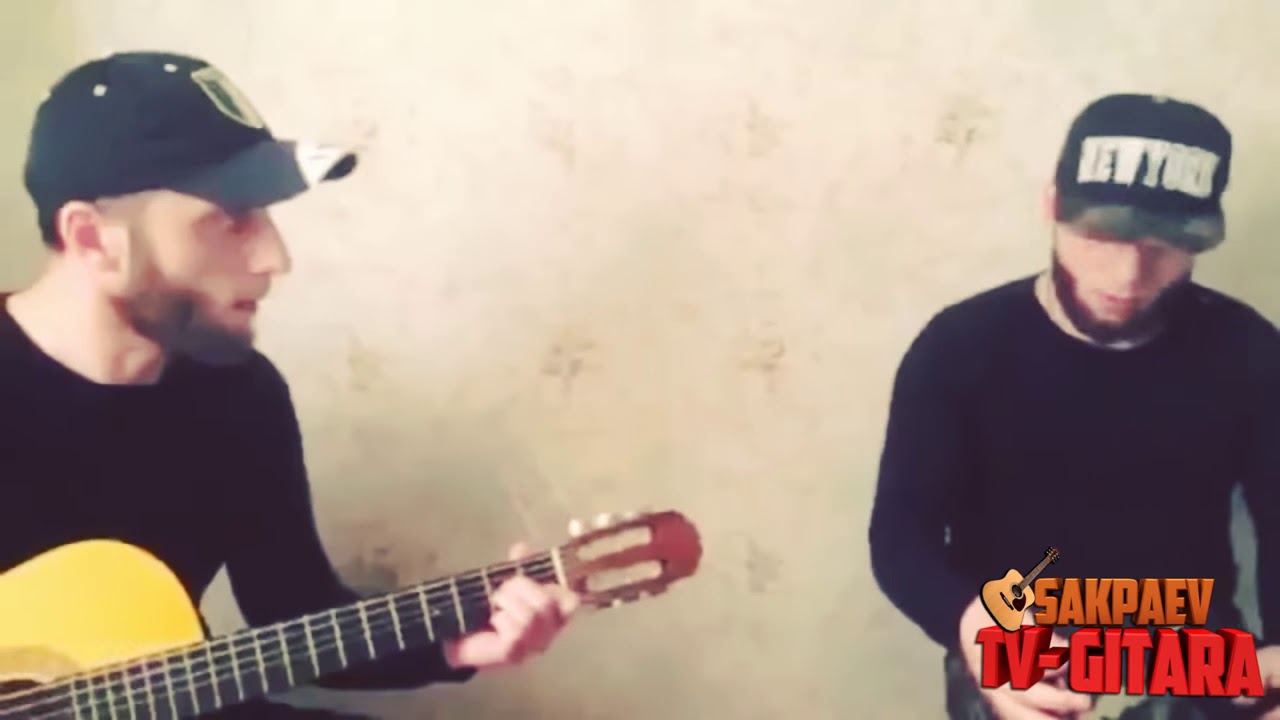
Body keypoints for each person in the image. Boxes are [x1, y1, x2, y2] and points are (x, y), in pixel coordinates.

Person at [0, 51, 579, 718]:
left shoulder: (238, 397)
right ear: (93, 238)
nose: (276, 258)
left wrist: (459, 643)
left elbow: (294, 612)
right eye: (230, 218)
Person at [867, 93, 1280, 719]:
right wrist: (972, 628)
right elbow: (901, 534)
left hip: (1190, 654)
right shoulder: (962, 345)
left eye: (1164, 245)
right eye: (1101, 236)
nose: (1127, 277)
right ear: (1052, 204)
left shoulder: (1247, 349)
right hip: (1017, 643)